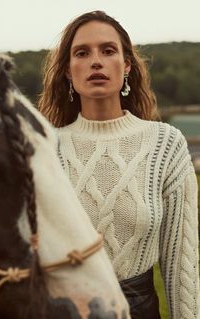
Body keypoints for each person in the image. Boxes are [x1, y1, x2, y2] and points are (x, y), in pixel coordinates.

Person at [39, 10, 199, 319]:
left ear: (126, 66)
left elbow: (182, 265)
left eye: (108, 50)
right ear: (69, 72)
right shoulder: (46, 148)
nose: (96, 61)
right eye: (82, 53)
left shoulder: (165, 145)